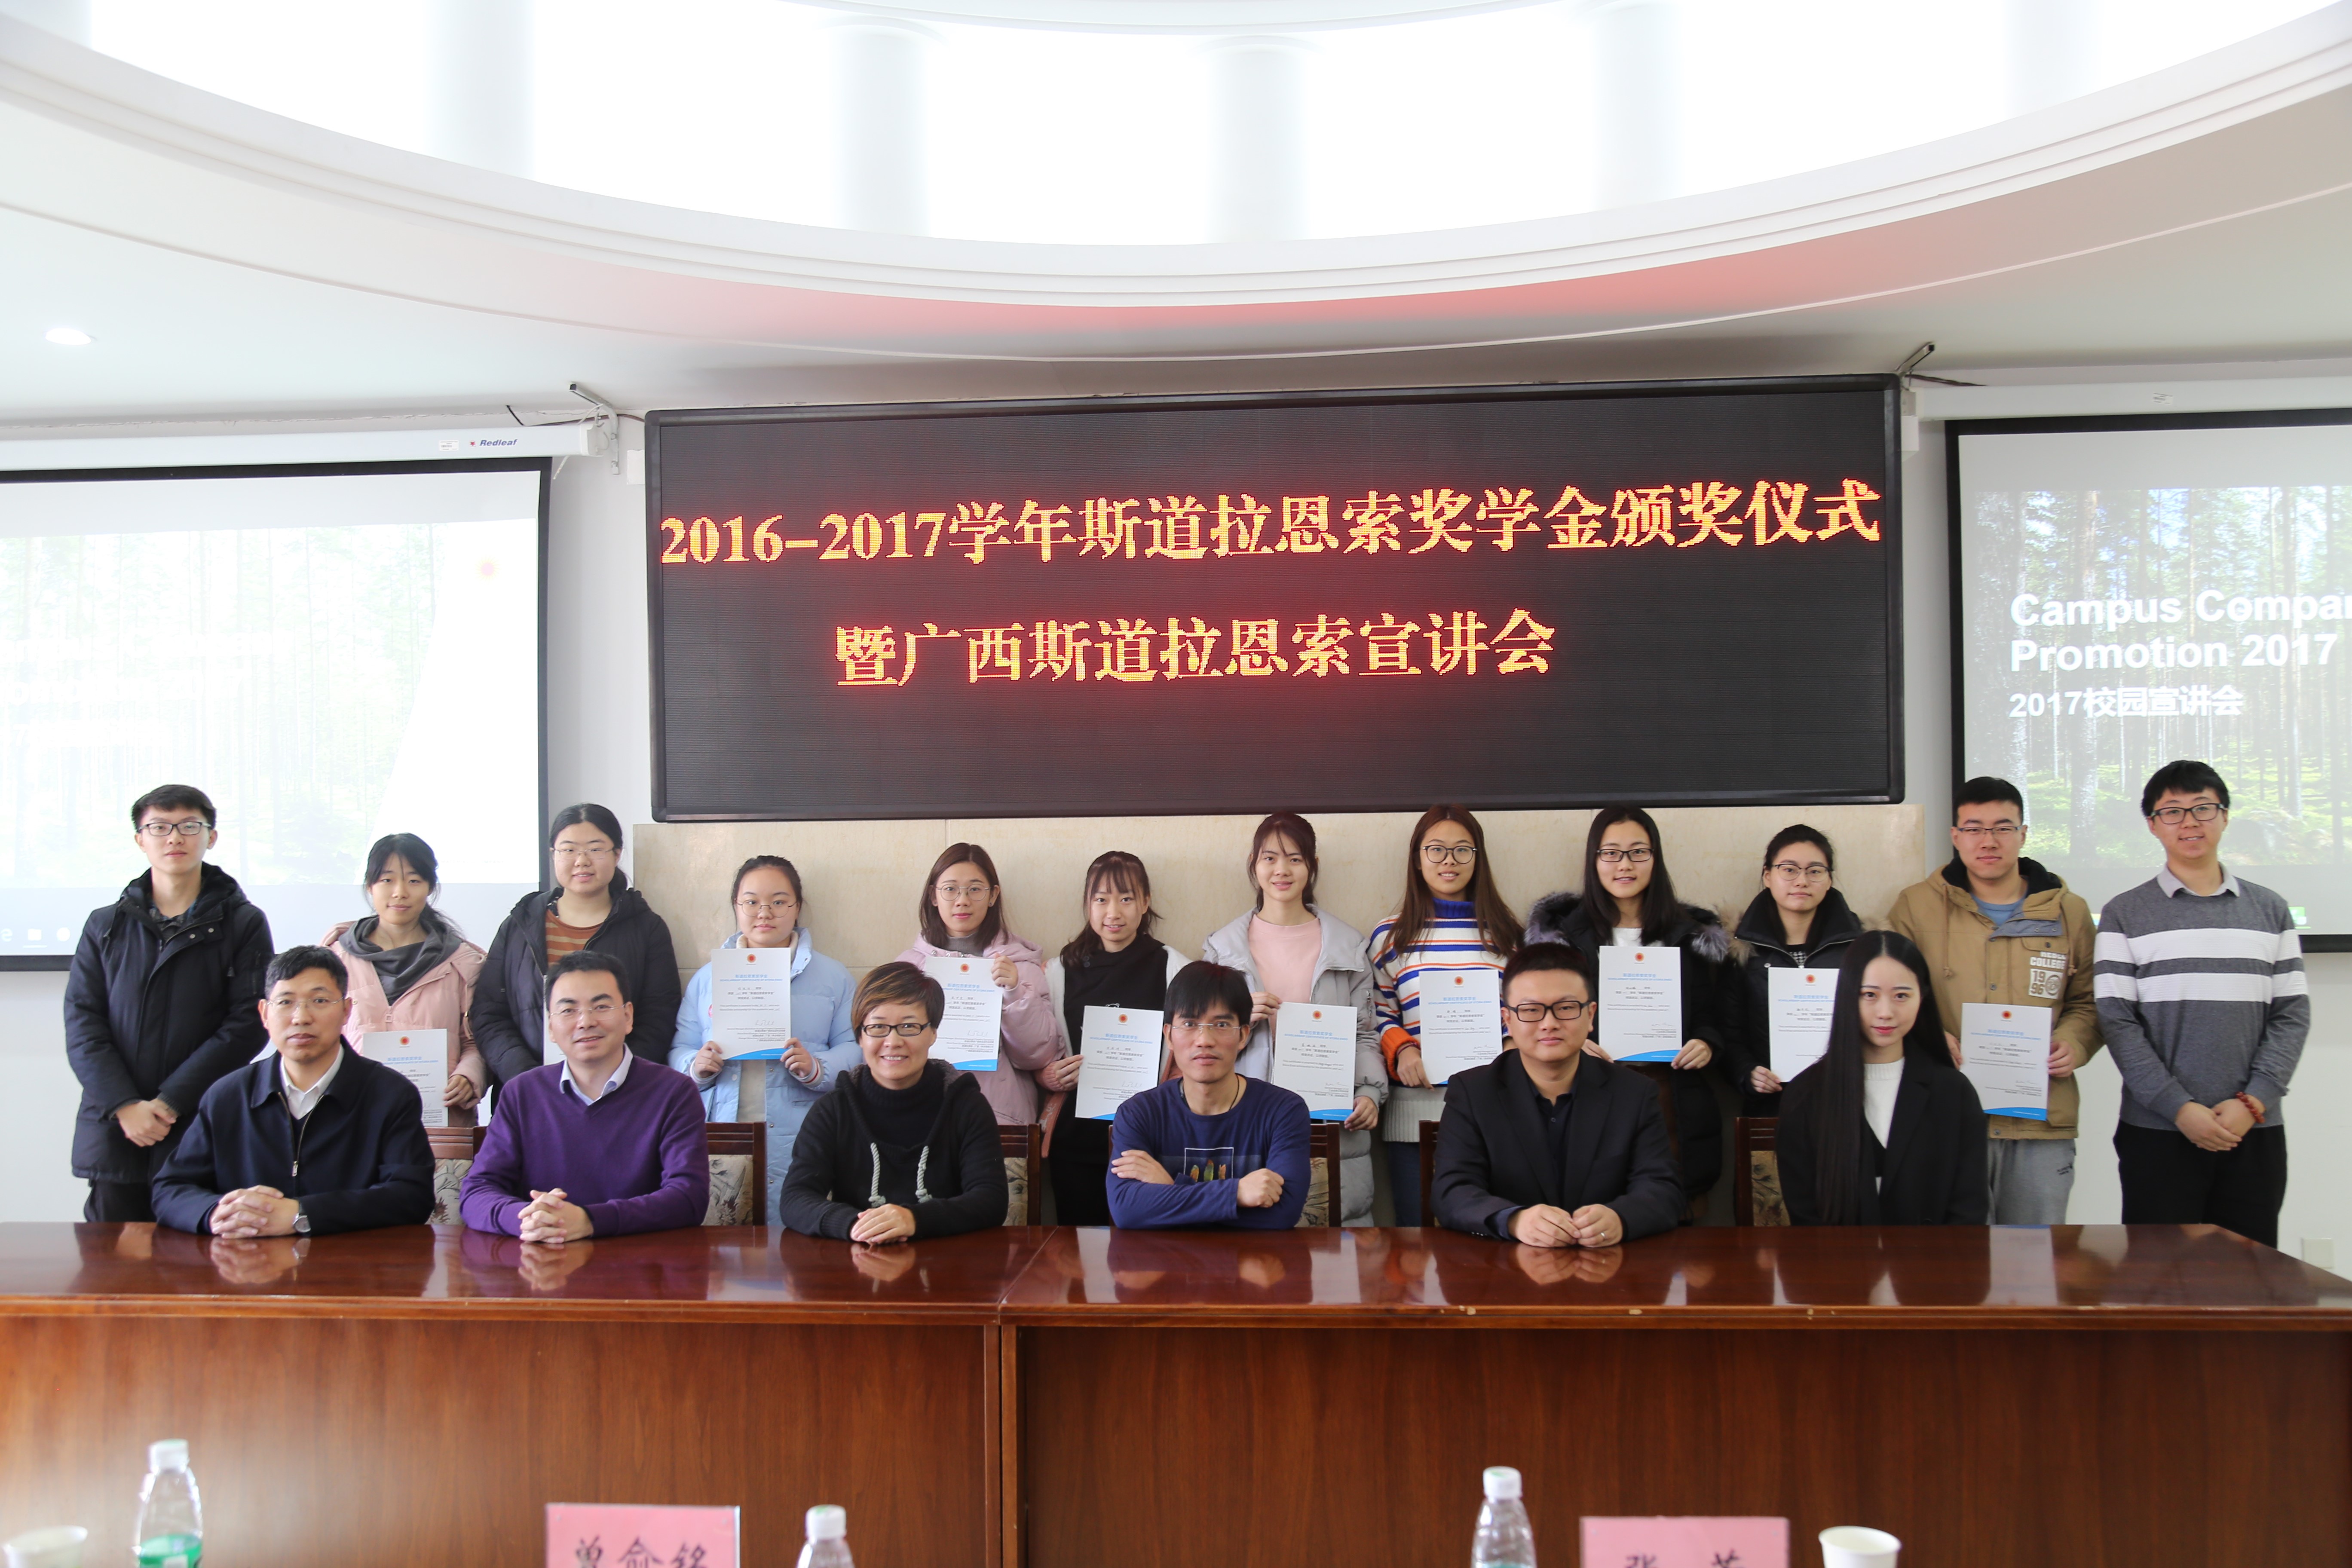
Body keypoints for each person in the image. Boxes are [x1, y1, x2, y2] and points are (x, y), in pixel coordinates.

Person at [2095, 760, 2308, 1249]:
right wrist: (2180, 1108)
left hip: (2252, 1128)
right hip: (2157, 1132)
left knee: (2250, 1277)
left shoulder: (2270, 909)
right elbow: (2117, 1022)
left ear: (2225, 817)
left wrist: (2253, 1102)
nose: (2189, 822)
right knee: (2157, 1276)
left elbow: (2292, 1015)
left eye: (2203, 808)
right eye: (2172, 811)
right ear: (2153, 825)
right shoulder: (2124, 913)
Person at [1886, 776, 2101, 1224]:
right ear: (1955, 836)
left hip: (2040, 1122)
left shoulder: (2069, 911)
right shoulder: (1915, 907)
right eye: (1974, 828)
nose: (1989, 841)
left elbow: (2090, 1000)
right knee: (1956, 1257)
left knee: (2033, 1257)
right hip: (1948, 1117)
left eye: (2003, 828)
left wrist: (2074, 1042)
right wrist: (1929, 1037)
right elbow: (1892, 998)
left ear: (2023, 834)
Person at [64, 784, 275, 1222]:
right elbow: (84, 1023)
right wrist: (125, 1105)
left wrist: (170, 1102)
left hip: (200, 1115)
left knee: (200, 1249)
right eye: (159, 827)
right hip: (117, 1125)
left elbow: (249, 1022)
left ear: (211, 837)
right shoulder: (105, 925)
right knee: (112, 1256)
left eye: (189, 826)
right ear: (140, 840)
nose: (175, 838)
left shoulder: (244, 922)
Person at [151, 946, 435, 1235]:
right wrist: (214, 1213)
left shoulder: (390, 1094)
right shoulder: (228, 1096)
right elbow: (170, 1189)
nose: (301, 1018)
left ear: (346, 1011)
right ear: (264, 1014)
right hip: (245, 1259)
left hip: (350, 1260)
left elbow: (412, 1197)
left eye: (319, 1000)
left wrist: (304, 1214)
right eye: (286, 1002)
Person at [1526, 806, 1729, 1209]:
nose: (1625, 865)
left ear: (1655, 858)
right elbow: (1544, 1014)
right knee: (1595, 1220)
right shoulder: (1567, 938)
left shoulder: (1687, 934)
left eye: (1638, 852)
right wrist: (1574, 1043)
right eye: (1611, 853)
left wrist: (1706, 1042)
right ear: (1594, 860)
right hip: (1591, 1094)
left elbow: (1712, 1014)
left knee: (1675, 1220)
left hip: (1671, 1095)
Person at [1430, 942, 1684, 1246]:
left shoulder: (1635, 1093)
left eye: (1566, 1008)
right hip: (1505, 1264)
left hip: (1607, 1262)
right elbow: (1452, 1192)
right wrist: (1514, 1220)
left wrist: (1620, 1218)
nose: (1549, 1024)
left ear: (1590, 1015)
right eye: (1531, 1010)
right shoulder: (1472, 1092)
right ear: (1507, 1020)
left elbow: (1663, 1188)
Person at [1199, 813, 1384, 1225]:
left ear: (1312, 866)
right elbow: (1200, 1038)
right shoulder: (1222, 949)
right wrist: (1237, 1019)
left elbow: (1364, 1034)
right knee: (1250, 1249)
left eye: (1295, 859)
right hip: (1246, 1118)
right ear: (1254, 865)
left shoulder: (1348, 946)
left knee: (1334, 1252)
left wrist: (1370, 1092)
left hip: (1329, 1122)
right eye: (1270, 858)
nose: (1281, 870)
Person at [460, 950, 710, 1240]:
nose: (585, 1022)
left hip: (639, 1261)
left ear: (628, 1016)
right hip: (541, 1260)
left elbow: (688, 1198)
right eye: (568, 1010)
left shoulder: (674, 1092)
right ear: (551, 1027)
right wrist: (527, 1219)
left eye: (601, 1007)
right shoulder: (522, 1093)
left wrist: (590, 1221)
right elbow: (477, 1192)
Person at [669, 856, 858, 1220]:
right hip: (727, 1127)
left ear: (797, 907)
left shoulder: (833, 977)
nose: (764, 913)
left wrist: (817, 1068)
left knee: (798, 1232)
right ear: (736, 907)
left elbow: (855, 1048)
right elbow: (680, 1048)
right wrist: (696, 1066)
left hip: (804, 1127)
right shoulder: (707, 979)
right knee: (729, 1236)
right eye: (752, 902)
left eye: (779, 902)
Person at [777, 962, 1008, 1242]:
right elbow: (795, 1199)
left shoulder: (967, 1106)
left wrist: (914, 1220)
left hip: (947, 1260)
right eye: (878, 1027)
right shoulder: (834, 1110)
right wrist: (854, 1225)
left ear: (933, 1033)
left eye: (909, 1026)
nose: (893, 1041)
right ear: (860, 1037)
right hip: (858, 1257)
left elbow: (991, 1199)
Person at [1369, 805, 1523, 1225]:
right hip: (1415, 1111)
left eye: (1462, 850)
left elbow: (1524, 1010)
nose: (1449, 861)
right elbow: (1376, 1010)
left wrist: (1511, 1043)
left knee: (1492, 1237)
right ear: (1418, 859)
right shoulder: (1390, 935)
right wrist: (1402, 1049)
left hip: (1495, 1109)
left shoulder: (1508, 933)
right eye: (1436, 850)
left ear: (1478, 857)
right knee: (1416, 1243)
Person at [1775, 930, 1990, 1225]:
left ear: (1923, 997)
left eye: (1901, 996)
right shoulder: (1806, 1094)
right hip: (1838, 1256)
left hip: (1936, 1256)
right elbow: (1805, 1215)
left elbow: (1969, 1209)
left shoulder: (1954, 1093)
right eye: (1870, 995)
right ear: (1847, 996)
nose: (1885, 1012)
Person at [471, 803, 684, 1092]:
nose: (582, 861)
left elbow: (659, 1017)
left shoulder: (646, 928)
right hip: (528, 1095)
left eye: (595, 849)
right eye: (569, 850)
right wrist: (528, 1080)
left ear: (617, 854)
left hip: (619, 1095)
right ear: (553, 855)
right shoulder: (520, 925)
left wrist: (614, 1081)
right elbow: (489, 1014)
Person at [1043, 851, 1189, 1225]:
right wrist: (1048, 1074)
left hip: (1150, 1136)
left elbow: (1189, 1051)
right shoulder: (1059, 971)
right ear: (1087, 904)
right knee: (1081, 1248)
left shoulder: (1173, 967)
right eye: (1101, 899)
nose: (1114, 912)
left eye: (1126, 899)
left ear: (1145, 902)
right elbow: (1038, 1047)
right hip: (1077, 1139)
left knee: (1144, 1250)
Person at [1109, 962, 1311, 1229]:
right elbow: (1127, 1210)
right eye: (1190, 1024)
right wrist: (1236, 1194)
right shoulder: (1139, 1112)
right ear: (1169, 1036)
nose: (1204, 1040)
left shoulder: (1284, 1110)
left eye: (1222, 1024)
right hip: (1165, 1257)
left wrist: (1170, 1188)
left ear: (1243, 1035)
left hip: (1254, 1256)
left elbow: (1282, 1214)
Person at [894, 843, 1074, 1127]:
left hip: (998, 1120)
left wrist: (1015, 994)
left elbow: (1039, 1056)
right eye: (951, 889)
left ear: (993, 896)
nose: (962, 901)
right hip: (921, 1117)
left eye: (975, 889)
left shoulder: (1020, 965)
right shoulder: (909, 968)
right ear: (933, 896)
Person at [323, 833, 488, 1124]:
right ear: (370, 886)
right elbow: (320, 1038)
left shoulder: (464, 962)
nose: (400, 892)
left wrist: (469, 1075)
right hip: (354, 1123)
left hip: (438, 1126)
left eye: (414, 881)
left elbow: (479, 1041)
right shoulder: (334, 960)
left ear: (430, 887)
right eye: (387, 880)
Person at [1722, 825, 1865, 1119]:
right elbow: (1729, 1031)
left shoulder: (1859, 948)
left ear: (1829, 880)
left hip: (1844, 1104)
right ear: (1768, 876)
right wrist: (1747, 1072)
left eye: (1815, 871)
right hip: (1772, 1105)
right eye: (1789, 870)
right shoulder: (1741, 949)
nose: (1802, 881)